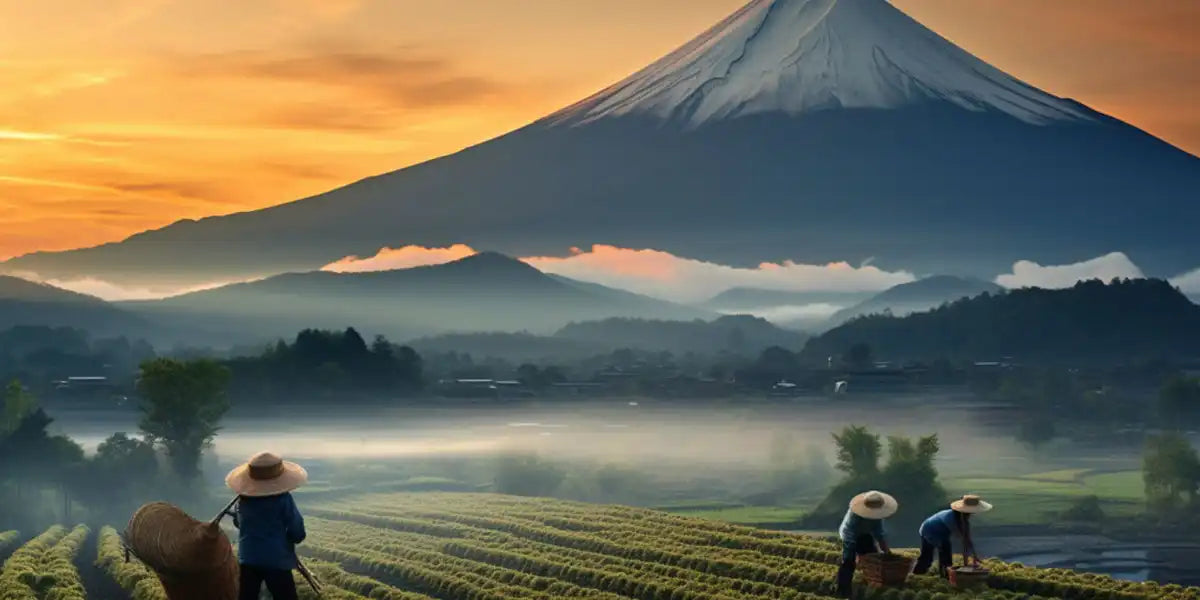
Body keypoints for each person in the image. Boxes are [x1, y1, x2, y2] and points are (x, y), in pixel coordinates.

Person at [225, 451, 309, 600]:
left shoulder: (243, 500)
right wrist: (291, 539)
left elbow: (239, 523)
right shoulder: (283, 499)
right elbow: (297, 529)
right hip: (276, 559)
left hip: (248, 558)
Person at [913, 494, 993, 577]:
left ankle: (941, 574)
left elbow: (967, 537)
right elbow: (962, 538)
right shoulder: (950, 518)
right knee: (937, 555)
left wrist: (974, 555)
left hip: (941, 533)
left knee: (936, 553)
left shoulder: (963, 519)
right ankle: (940, 575)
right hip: (929, 530)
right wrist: (966, 559)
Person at [835, 490, 897, 598]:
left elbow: (879, 533)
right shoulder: (855, 513)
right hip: (850, 534)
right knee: (849, 561)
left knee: (873, 557)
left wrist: (886, 550)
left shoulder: (878, 515)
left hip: (865, 534)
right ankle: (843, 590)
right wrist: (853, 549)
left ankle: (871, 585)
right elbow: (850, 530)